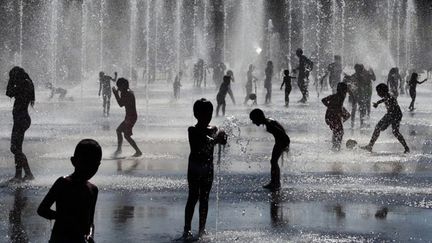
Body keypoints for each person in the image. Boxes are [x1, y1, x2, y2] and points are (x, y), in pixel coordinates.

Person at [37, 139, 101, 243]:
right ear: (73, 161)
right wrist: (64, 218)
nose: (89, 169)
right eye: (85, 163)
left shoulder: (93, 190)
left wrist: (89, 234)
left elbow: (90, 222)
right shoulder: (63, 183)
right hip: (59, 239)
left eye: (94, 165)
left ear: (98, 165)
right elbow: (42, 210)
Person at [181, 98, 227, 240]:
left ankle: (202, 229)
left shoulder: (213, 129)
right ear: (196, 114)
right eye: (204, 113)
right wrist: (217, 139)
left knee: (205, 198)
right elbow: (205, 142)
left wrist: (223, 134)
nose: (208, 116)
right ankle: (187, 229)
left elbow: (221, 137)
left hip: (207, 167)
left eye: (210, 113)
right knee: (193, 197)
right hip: (194, 167)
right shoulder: (192, 130)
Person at [361, 84, 410, 153]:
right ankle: (406, 148)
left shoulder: (390, 97)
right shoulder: (388, 96)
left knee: (379, 128)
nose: (378, 94)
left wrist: (388, 120)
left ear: (382, 91)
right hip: (396, 114)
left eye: (378, 92)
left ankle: (370, 146)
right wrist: (378, 103)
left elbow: (389, 101)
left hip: (393, 114)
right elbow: (384, 100)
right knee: (395, 132)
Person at [6, 66, 35, 182]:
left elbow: (8, 92)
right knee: (17, 147)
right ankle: (18, 175)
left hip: (21, 120)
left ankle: (28, 174)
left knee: (14, 148)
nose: (12, 80)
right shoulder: (25, 83)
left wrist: (11, 81)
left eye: (12, 77)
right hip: (20, 119)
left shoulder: (24, 84)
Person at [249, 109, 290, 190]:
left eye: (253, 120)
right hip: (280, 141)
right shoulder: (268, 121)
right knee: (273, 161)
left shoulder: (269, 124)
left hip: (281, 141)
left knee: (273, 161)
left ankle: (275, 183)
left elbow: (282, 134)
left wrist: (284, 145)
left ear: (258, 118)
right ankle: (274, 182)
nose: (253, 122)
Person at [112, 78, 142, 157]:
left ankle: (138, 151)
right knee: (119, 131)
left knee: (126, 135)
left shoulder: (128, 93)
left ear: (123, 86)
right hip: (129, 116)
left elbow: (121, 104)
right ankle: (119, 150)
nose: (118, 88)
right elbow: (122, 103)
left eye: (119, 87)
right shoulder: (125, 92)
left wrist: (115, 94)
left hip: (131, 117)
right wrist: (118, 93)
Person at [321, 83, 350, 151]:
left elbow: (323, 100)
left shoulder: (336, 95)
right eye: (345, 90)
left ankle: (335, 146)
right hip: (332, 116)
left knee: (337, 130)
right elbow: (324, 100)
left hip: (330, 115)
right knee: (340, 131)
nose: (346, 91)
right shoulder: (340, 96)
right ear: (342, 90)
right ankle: (336, 146)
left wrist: (330, 107)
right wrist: (332, 108)